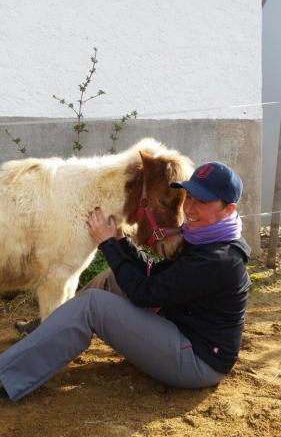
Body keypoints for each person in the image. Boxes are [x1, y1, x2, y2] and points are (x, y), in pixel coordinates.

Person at [0, 161, 251, 402]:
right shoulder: (205, 239)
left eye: (203, 201)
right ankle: (47, 330)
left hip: (196, 362)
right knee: (111, 279)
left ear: (228, 209)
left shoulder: (220, 259)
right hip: (175, 330)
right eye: (191, 198)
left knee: (93, 306)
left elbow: (145, 293)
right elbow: (154, 275)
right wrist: (120, 242)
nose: (190, 209)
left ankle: (7, 375)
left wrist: (108, 244)